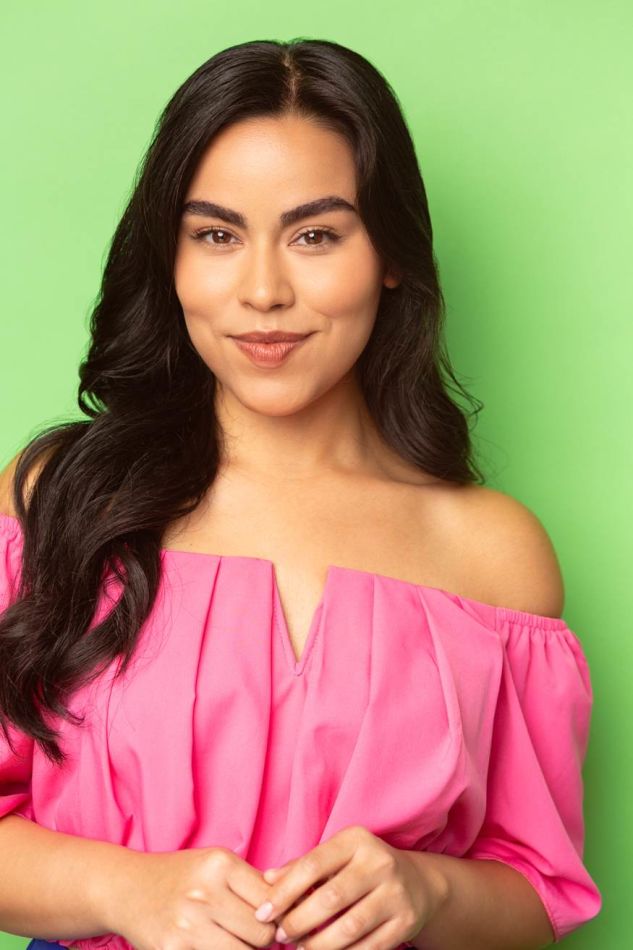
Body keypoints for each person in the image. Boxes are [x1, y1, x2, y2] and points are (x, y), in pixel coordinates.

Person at [0, 37, 601, 950]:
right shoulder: (59, 499)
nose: (263, 291)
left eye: (315, 235)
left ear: (389, 251)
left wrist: (430, 889)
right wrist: (125, 890)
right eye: (216, 235)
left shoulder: (492, 553)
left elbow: (538, 890)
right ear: (170, 258)